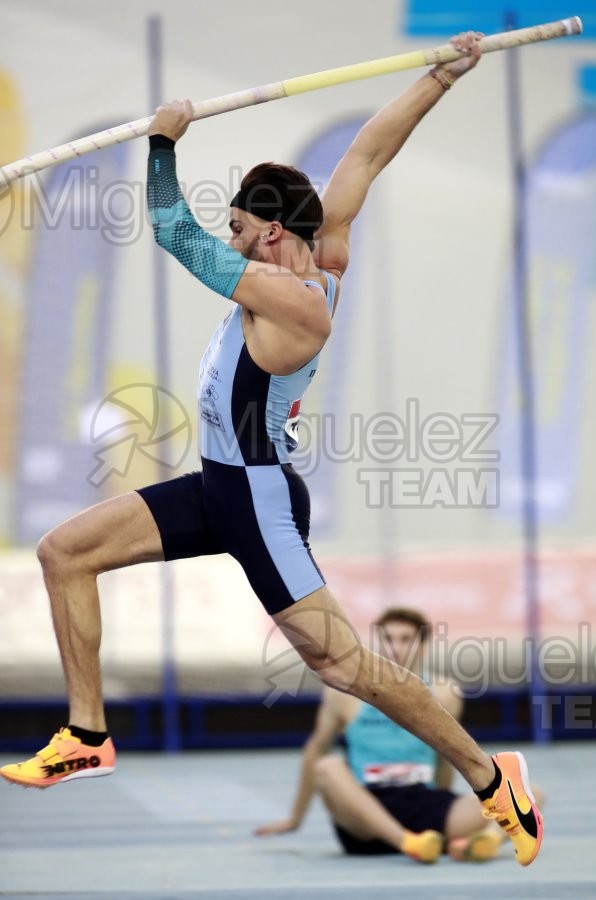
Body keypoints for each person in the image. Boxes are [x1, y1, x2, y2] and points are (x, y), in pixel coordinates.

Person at [0, 32, 543, 867]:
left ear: (266, 228)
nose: (232, 234)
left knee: (346, 667)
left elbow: (176, 234)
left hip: (255, 498)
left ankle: (486, 772)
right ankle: (85, 732)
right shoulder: (320, 247)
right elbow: (367, 152)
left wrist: (162, 144)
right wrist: (439, 75)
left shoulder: (294, 299)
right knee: (65, 551)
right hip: (217, 483)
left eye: (240, 223)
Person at [256, 607, 544, 863]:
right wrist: (295, 819)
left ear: (423, 645)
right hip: (365, 815)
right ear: (376, 643)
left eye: (406, 639)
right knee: (327, 767)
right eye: (388, 639)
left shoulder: (446, 691)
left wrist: (447, 799)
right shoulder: (341, 694)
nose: (396, 648)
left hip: (424, 807)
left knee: (530, 794)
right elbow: (315, 750)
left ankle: (485, 843)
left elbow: (449, 756)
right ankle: (408, 843)